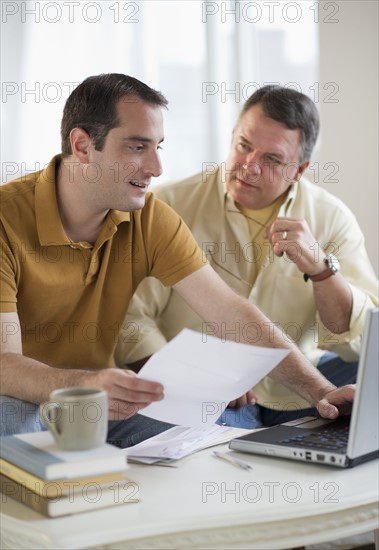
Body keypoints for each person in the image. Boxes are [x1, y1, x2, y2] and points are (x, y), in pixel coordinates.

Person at [0, 75, 356, 446]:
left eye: (158, 147)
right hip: (23, 396)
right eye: (138, 147)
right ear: (83, 145)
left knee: (199, 444)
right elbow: (4, 366)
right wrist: (85, 383)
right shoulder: (6, 218)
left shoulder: (149, 217)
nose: (156, 167)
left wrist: (320, 391)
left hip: (105, 400)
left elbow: (231, 314)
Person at [116, 85, 378, 429]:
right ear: (232, 137)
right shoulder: (167, 206)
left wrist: (321, 271)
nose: (250, 167)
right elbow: (131, 321)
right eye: (244, 146)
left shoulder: (331, 218)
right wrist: (192, 377)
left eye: (272, 159)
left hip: (298, 384)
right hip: (204, 387)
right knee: (153, 430)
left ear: (299, 170)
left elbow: (356, 340)